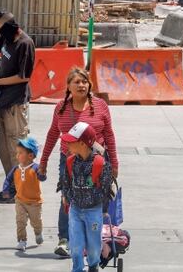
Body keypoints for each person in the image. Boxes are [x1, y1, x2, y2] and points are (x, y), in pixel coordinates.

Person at [39, 67, 120, 258]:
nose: (82, 85)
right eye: (77, 82)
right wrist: (43, 160)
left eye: (85, 81)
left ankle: (97, 238)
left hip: (97, 162)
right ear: (68, 86)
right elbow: (52, 134)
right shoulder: (61, 107)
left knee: (99, 196)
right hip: (68, 160)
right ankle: (65, 240)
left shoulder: (100, 106)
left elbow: (109, 134)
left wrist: (114, 162)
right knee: (67, 196)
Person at [0, 12, 36, 196]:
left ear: (10, 26)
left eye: (0, 29)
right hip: (4, 101)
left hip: (16, 104)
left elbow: (23, 76)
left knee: (18, 149)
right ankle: (11, 188)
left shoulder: (24, 44)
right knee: (4, 148)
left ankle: (23, 190)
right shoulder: (5, 38)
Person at [61, 122, 114, 272]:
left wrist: (103, 208)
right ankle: (77, 269)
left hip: (93, 212)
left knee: (93, 246)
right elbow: (66, 182)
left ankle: (92, 266)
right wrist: (67, 196)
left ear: (83, 144)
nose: (67, 144)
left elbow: (105, 190)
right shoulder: (71, 162)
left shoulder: (100, 164)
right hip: (76, 211)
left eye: (71, 141)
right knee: (76, 245)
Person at [2, 136, 44, 252]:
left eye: (20, 153)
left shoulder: (35, 168)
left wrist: (42, 174)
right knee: (20, 221)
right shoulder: (16, 168)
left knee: (36, 221)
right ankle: (22, 240)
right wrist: (5, 190)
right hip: (20, 200)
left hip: (34, 202)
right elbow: (8, 180)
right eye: (17, 152)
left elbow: (42, 177)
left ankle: (38, 232)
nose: (17, 155)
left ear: (30, 156)